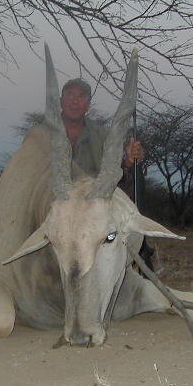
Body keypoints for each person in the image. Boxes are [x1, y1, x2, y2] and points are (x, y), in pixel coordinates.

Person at [60, 78, 157, 272]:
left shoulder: (102, 136)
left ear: (88, 104)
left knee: (120, 230)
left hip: (92, 211)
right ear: (61, 100)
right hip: (53, 209)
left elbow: (113, 178)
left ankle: (138, 265)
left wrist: (129, 161)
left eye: (81, 97)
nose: (74, 101)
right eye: (70, 95)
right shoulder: (40, 134)